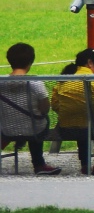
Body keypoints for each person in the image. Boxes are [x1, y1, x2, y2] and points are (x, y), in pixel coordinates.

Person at [0, 42, 60, 175]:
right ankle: (39, 164)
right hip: (34, 130)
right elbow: (45, 108)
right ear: (30, 61)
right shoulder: (36, 84)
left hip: (6, 129)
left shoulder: (1, 83)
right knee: (41, 121)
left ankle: (18, 140)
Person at [50, 49, 94, 174]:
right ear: (90, 63)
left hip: (65, 129)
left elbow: (55, 105)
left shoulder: (63, 80)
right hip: (91, 129)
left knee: (81, 124)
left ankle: (85, 164)